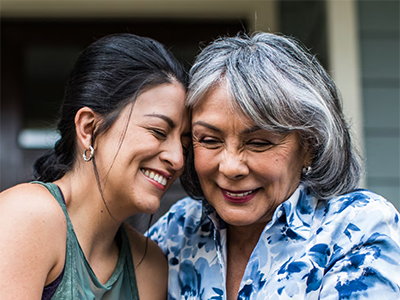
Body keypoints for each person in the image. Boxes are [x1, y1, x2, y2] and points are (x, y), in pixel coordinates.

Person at [147, 32, 400, 300]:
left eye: (258, 143)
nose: (231, 167)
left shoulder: (357, 228)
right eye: (209, 140)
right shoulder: (179, 228)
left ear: (310, 146)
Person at [0, 33, 190, 299]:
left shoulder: (149, 266)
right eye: (158, 131)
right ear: (89, 129)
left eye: (185, 143)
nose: (178, 159)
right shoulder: (26, 217)